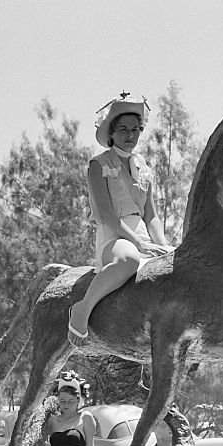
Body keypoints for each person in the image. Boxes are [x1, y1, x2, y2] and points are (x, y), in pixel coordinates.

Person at [67, 93, 173, 347]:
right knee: (129, 260)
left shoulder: (143, 166)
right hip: (115, 237)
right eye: (123, 129)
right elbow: (107, 215)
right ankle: (82, 309)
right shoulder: (98, 164)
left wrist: (166, 248)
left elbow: (151, 215)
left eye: (136, 129)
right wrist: (139, 243)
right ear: (111, 132)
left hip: (144, 237)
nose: (130, 135)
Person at [2, 372, 98, 446]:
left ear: (78, 399)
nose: (66, 405)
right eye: (63, 401)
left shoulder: (85, 417)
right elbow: (34, 439)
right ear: (58, 400)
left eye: (70, 401)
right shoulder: (52, 420)